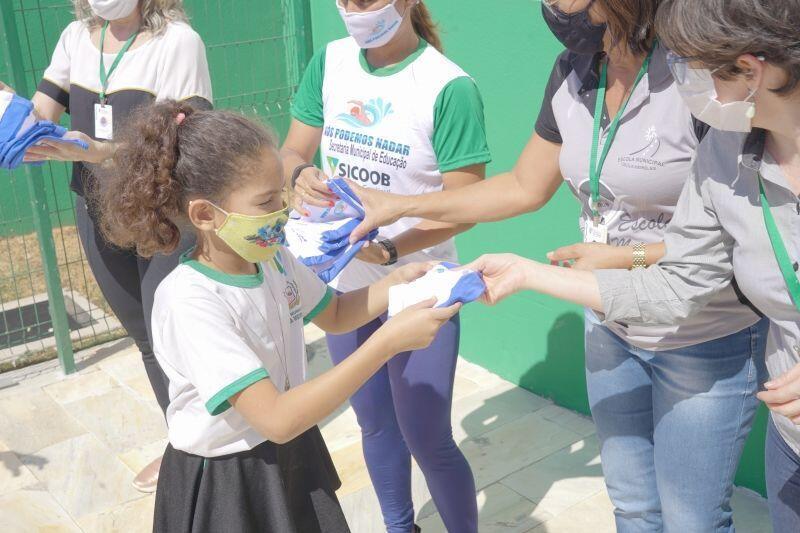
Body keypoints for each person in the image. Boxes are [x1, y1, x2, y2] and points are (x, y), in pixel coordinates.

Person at [334, 0, 769, 530]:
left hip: (702, 332)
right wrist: (403, 211)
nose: (553, 8)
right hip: (609, 320)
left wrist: (627, 256)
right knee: (633, 506)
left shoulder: (697, 77)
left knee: (691, 519)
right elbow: (521, 187)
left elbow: (739, 232)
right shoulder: (573, 70)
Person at [461, 0, 800, 530]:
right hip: (790, 441)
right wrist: (527, 273)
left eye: (692, 68)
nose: (680, 82)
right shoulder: (729, 153)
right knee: (636, 508)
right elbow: (682, 280)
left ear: (752, 71)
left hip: (706, 345)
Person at [93, 100, 460, 532]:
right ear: (206, 215)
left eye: (281, 196)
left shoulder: (272, 258)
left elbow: (337, 312)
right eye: (267, 201)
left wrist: (397, 283)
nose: (283, 211)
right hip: (230, 479)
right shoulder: (190, 300)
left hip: (290, 451)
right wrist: (387, 342)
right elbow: (277, 417)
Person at [281, 1, 491, 531]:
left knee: (427, 436)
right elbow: (291, 152)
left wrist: (396, 250)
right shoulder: (329, 63)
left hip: (420, 286)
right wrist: (299, 174)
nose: (355, 9)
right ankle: (401, 528)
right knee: (374, 425)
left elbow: (465, 207)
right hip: (346, 285)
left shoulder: (449, 88)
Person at [1, 0, 212, 491]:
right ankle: (182, 444)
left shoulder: (178, 42)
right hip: (96, 208)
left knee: (176, 336)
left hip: (161, 210)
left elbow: (183, 141)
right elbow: (38, 117)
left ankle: (213, 450)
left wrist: (103, 152)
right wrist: (9, 111)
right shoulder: (75, 38)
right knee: (145, 337)